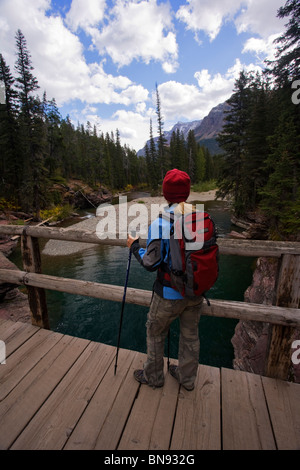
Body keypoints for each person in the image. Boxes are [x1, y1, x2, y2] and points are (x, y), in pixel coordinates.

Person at [127, 169, 203, 391]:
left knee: (155, 333)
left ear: (165, 194)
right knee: (190, 337)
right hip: (196, 292)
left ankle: (154, 378)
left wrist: (134, 247)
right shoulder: (200, 217)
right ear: (187, 194)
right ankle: (187, 379)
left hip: (169, 294)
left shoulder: (160, 223)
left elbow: (150, 263)